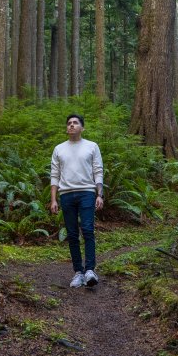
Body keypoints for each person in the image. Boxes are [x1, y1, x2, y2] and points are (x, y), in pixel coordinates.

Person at [49, 114, 104, 288]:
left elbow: (98, 171)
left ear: (82, 128)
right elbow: (54, 175)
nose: (71, 126)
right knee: (72, 235)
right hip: (66, 195)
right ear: (67, 128)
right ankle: (78, 272)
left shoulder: (92, 146)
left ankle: (90, 271)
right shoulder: (59, 149)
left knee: (88, 230)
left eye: (75, 123)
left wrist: (99, 194)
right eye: (69, 123)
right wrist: (53, 200)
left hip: (87, 192)